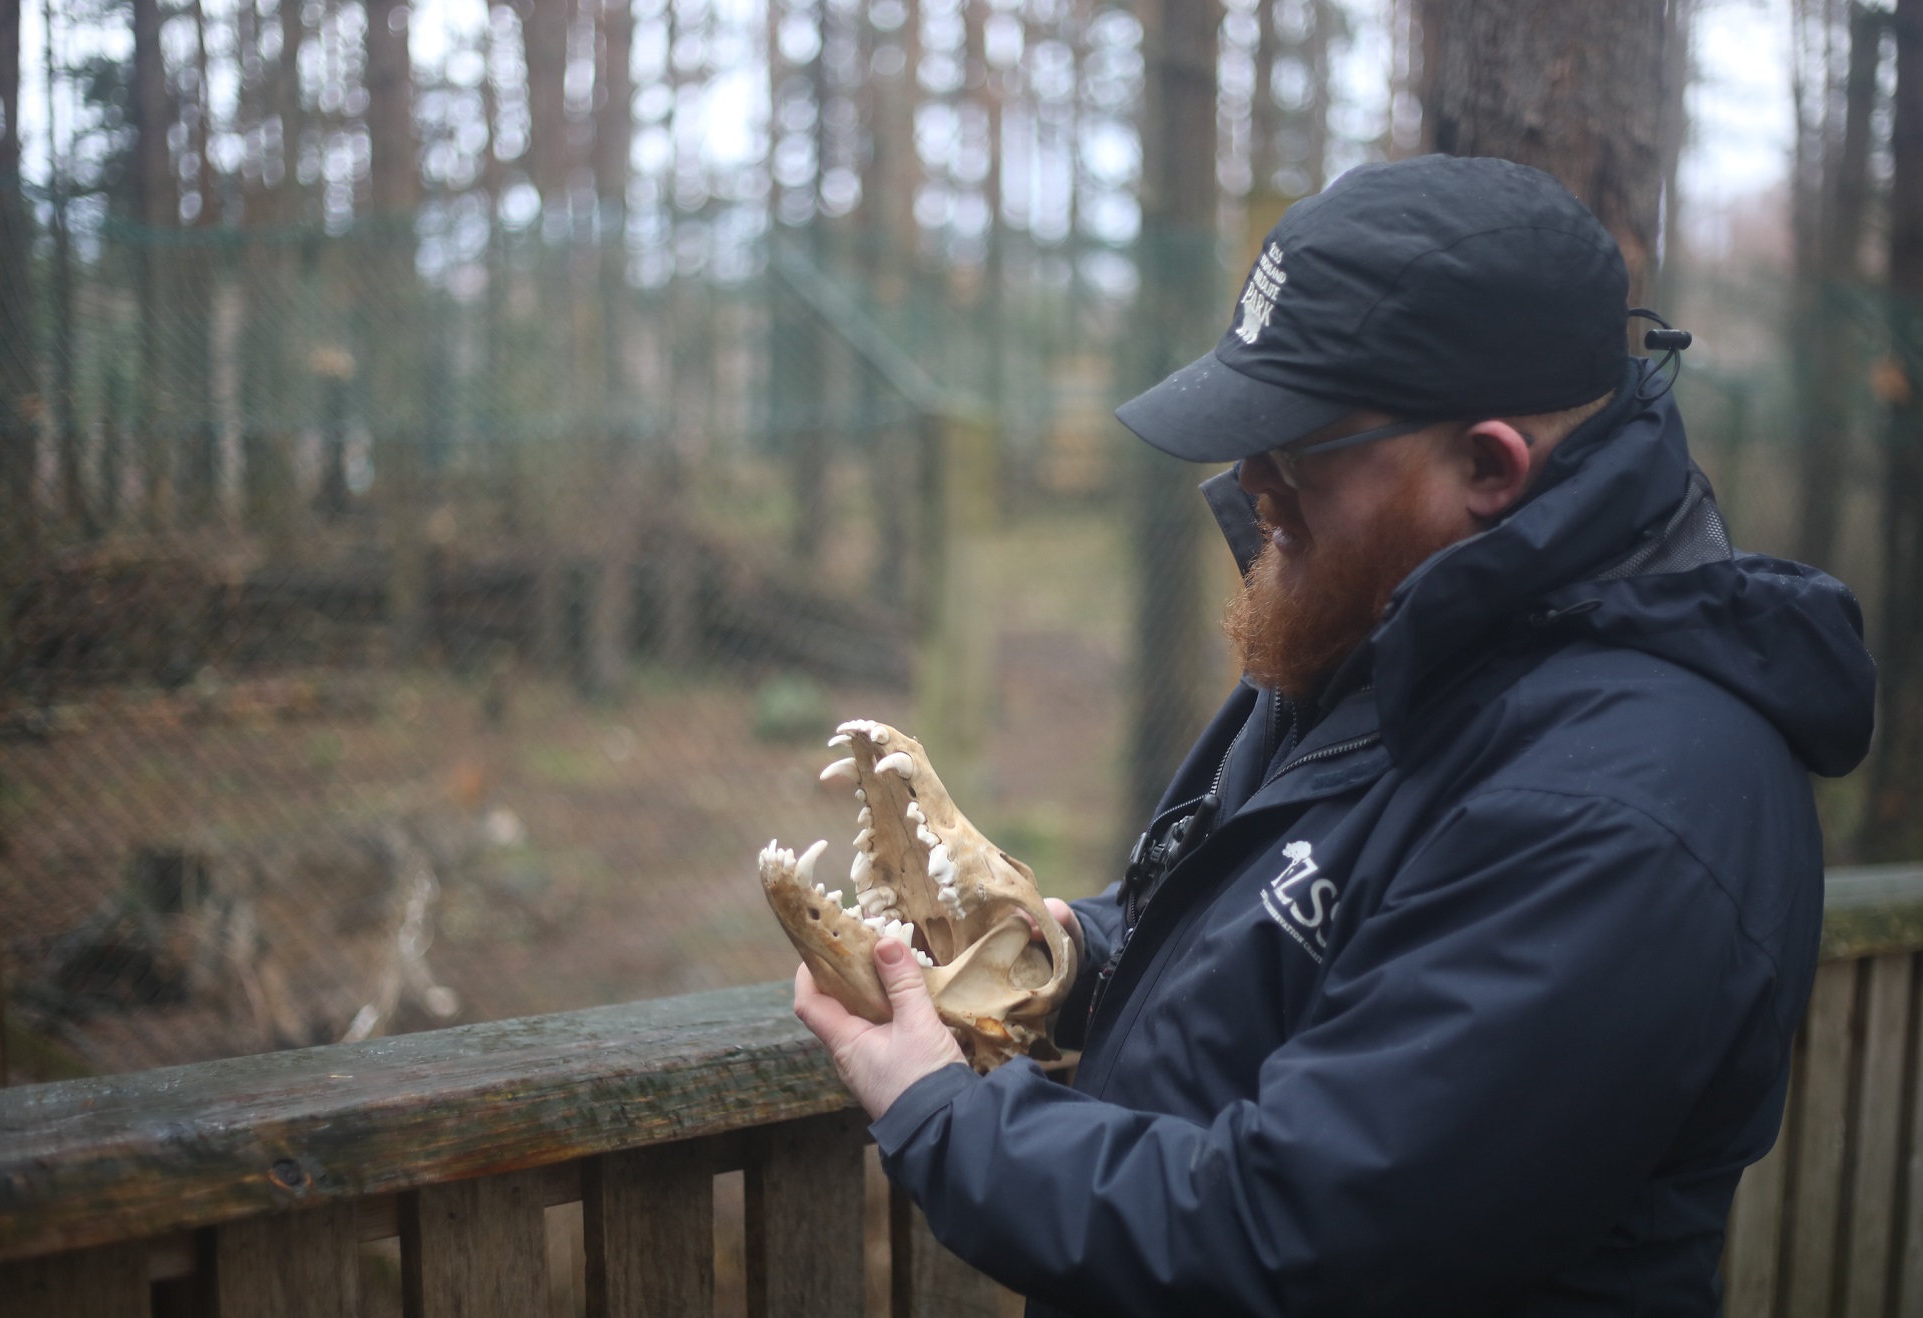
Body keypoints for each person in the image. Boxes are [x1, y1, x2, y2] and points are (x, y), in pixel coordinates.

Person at [792, 154, 1878, 1314]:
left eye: (1298, 441)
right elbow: (1282, 925)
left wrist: (940, 1113)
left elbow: (1303, 1230)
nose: (1251, 477)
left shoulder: (1625, 807)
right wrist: (1072, 955)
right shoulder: (1385, 618)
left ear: (1489, 464)